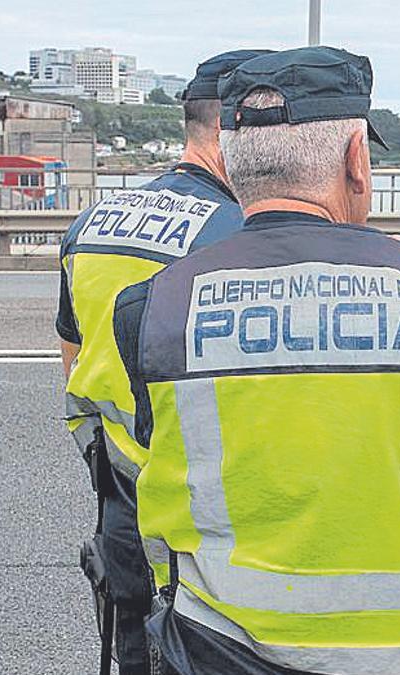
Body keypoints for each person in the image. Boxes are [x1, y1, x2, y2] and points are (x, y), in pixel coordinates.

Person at [112, 47, 400, 675]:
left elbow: (158, 453)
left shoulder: (153, 308)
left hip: (220, 651)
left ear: (233, 163)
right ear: (358, 160)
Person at [58, 50, 271, 675]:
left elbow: (72, 361)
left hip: (117, 488)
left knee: (132, 651)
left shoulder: (94, 222)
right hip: (200, 514)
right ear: (242, 131)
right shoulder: (239, 236)